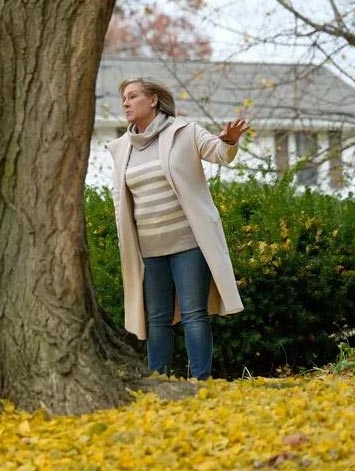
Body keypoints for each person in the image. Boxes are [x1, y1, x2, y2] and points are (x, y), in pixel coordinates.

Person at [106, 77, 249, 380]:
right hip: (148, 248)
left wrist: (229, 141)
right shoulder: (121, 148)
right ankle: (158, 380)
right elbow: (121, 201)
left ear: (153, 100)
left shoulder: (184, 131)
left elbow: (219, 153)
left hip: (188, 243)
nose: (126, 103)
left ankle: (201, 382)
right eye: (124, 99)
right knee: (156, 318)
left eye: (133, 96)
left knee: (193, 314)